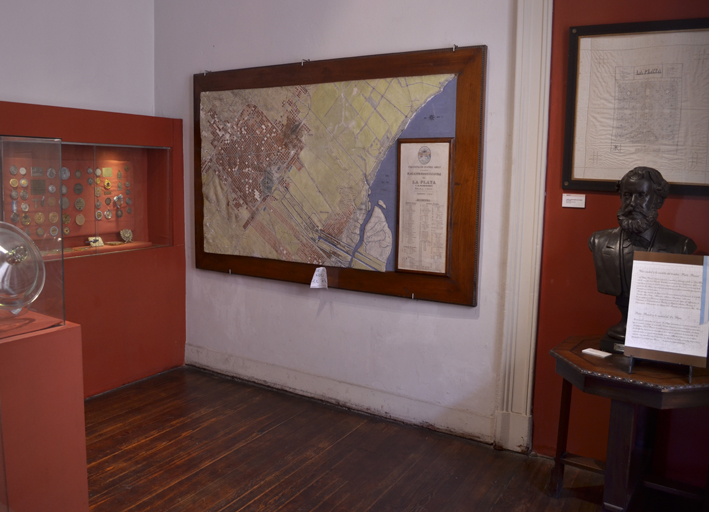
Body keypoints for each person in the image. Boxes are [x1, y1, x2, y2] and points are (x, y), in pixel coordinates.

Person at [588, 167, 696, 349]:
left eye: (641, 195)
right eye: (627, 195)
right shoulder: (598, 241)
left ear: (658, 200)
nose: (632, 203)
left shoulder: (681, 246)